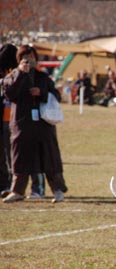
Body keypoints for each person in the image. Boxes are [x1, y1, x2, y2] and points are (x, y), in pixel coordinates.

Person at [1, 45, 68, 203]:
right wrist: (20, 74)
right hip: (22, 124)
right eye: (25, 57)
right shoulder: (12, 76)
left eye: (31, 57)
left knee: (49, 157)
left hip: (43, 124)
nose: (29, 60)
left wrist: (42, 93)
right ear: (19, 60)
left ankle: (58, 190)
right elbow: (9, 93)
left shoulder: (43, 77)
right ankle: (17, 191)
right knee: (20, 158)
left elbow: (56, 95)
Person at [0, 44, 18, 196]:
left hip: (10, 117)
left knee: (9, 152)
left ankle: (10, 184)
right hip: (9, 117)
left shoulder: (13, 74)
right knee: (8, 153)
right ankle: (7, 183)